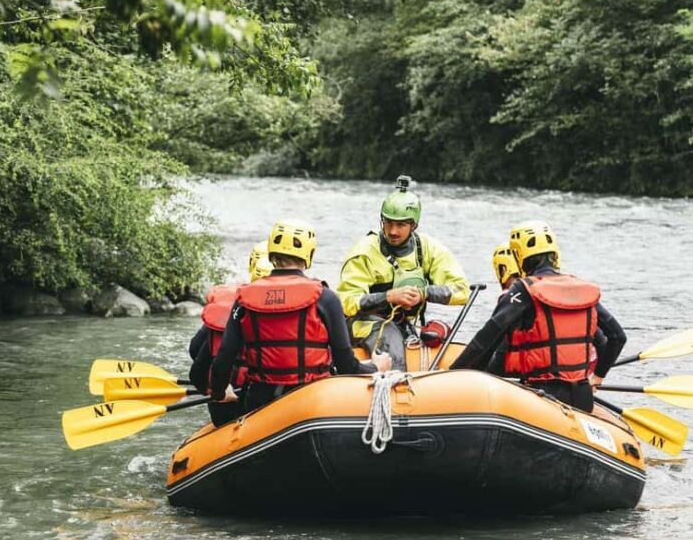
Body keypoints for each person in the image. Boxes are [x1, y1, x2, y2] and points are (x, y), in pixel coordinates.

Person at [210, 220, 392, 413]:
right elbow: (346, 365)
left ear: (271, 254)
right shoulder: (325, 298)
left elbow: (224, 357)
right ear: (309, 255)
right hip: (313, 399)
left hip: (260, 400)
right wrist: (375, 368)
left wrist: (219, 392)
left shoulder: (244, 299)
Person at [452, 220, 627, 412]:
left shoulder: (524, 289)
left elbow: (486, 339)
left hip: (543, 397)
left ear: (519, 256)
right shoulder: (580, 289)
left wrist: (454, 374)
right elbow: (617, 337)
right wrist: (598, 375)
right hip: (582, 397)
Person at [337, 175, 470, 368]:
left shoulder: (428, 249)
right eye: (388, 223)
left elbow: (461, 291)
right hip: (361, 323)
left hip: (404, 324)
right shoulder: (364, 252)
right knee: (389, 335)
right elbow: (346, 302)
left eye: (400, 225)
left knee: (430, 334)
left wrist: (424, 293)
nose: (393, 231)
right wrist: (388, 297)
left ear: (414, 225)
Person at [188, 242, 272, 426]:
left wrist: (214, 388)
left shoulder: (230, 307)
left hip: (228, 406)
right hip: (273, 405)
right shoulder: (298, 310)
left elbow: (195, 354)